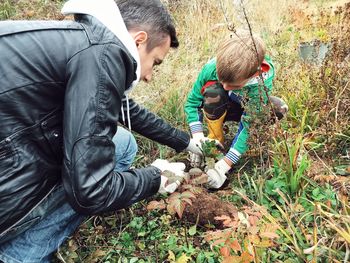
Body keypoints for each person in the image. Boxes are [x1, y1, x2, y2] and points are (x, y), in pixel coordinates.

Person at [0, 0, 202, 261]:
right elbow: (92, 191)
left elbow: (125, 110)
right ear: (139, 40)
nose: (150, 75)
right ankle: (20, 254)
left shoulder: (84, 42)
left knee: (123, 143)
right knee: (94, 176)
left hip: (15, 147)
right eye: (156, 62)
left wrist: (184, 142)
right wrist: (156, 178)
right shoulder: (102, 55)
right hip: (10, 177)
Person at [185, 31, 288, 189]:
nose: (226, 87)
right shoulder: (211, 68)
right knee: (215, 92)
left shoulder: (260, 83)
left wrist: (225, 165)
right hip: (221, 104)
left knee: (277, 108)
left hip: (245, 106)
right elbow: (192, 103)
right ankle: (214, 142)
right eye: (222, 80)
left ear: (256, 73)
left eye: (234, 85)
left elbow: (249, 125)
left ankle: (227, 155)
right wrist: (198, 138)